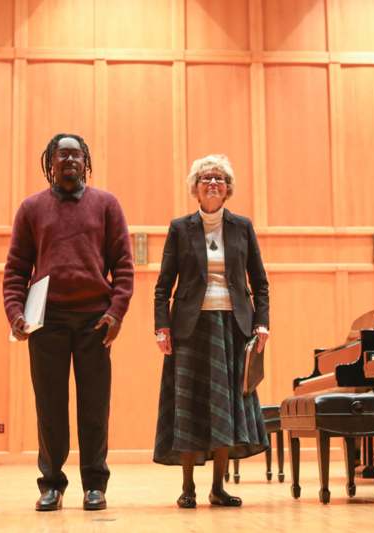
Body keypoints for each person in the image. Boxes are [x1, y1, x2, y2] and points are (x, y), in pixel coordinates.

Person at [3, 133, 134, 512]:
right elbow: (15, 270)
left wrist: (116, 312)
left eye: (77, 155)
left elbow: (124, 265)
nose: (70, 161)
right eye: (63, 155)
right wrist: (16, 314)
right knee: (50, 406)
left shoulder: (107, 205)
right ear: (50, 162)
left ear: (86, 161)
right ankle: (52, 484)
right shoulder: (31, 209)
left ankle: (95, 484)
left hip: (96, 320)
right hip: (47, 322)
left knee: (94, 407)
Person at [152, 154, 270, 508]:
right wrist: (161, 327)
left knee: (226, 406)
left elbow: (260, 283)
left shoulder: (242, 227)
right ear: (195, 187)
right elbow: (162, 286)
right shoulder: (179, 228)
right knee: (189, 404)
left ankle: (218, 487)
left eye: (219, 178)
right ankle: (187, 487)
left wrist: (262, 323)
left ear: (228, 187)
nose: (213, 183)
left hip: (234, 326)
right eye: (206, 178)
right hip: (190, 327)